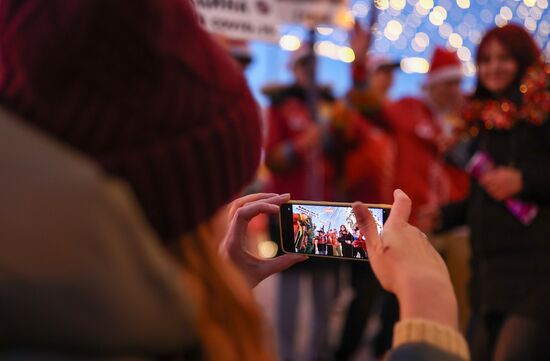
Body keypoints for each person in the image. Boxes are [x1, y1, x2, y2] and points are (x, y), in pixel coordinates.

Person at [0, 1, 470, 360]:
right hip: (327, 212)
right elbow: (288, 152)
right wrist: (427, 306)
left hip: (332, 211)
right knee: (294, 315)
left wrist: (209, 297)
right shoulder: (300, 109)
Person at [429, 24, 550, 361]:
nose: (493, 67)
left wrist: (525, 180)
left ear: (525, 60)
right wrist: (446, 216)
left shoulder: (543, 113)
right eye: (485, 59)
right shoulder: (483, 122)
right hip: (487, 276)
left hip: (536, 275)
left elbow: (522, 184)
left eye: (504, 58)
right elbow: (486, 196)